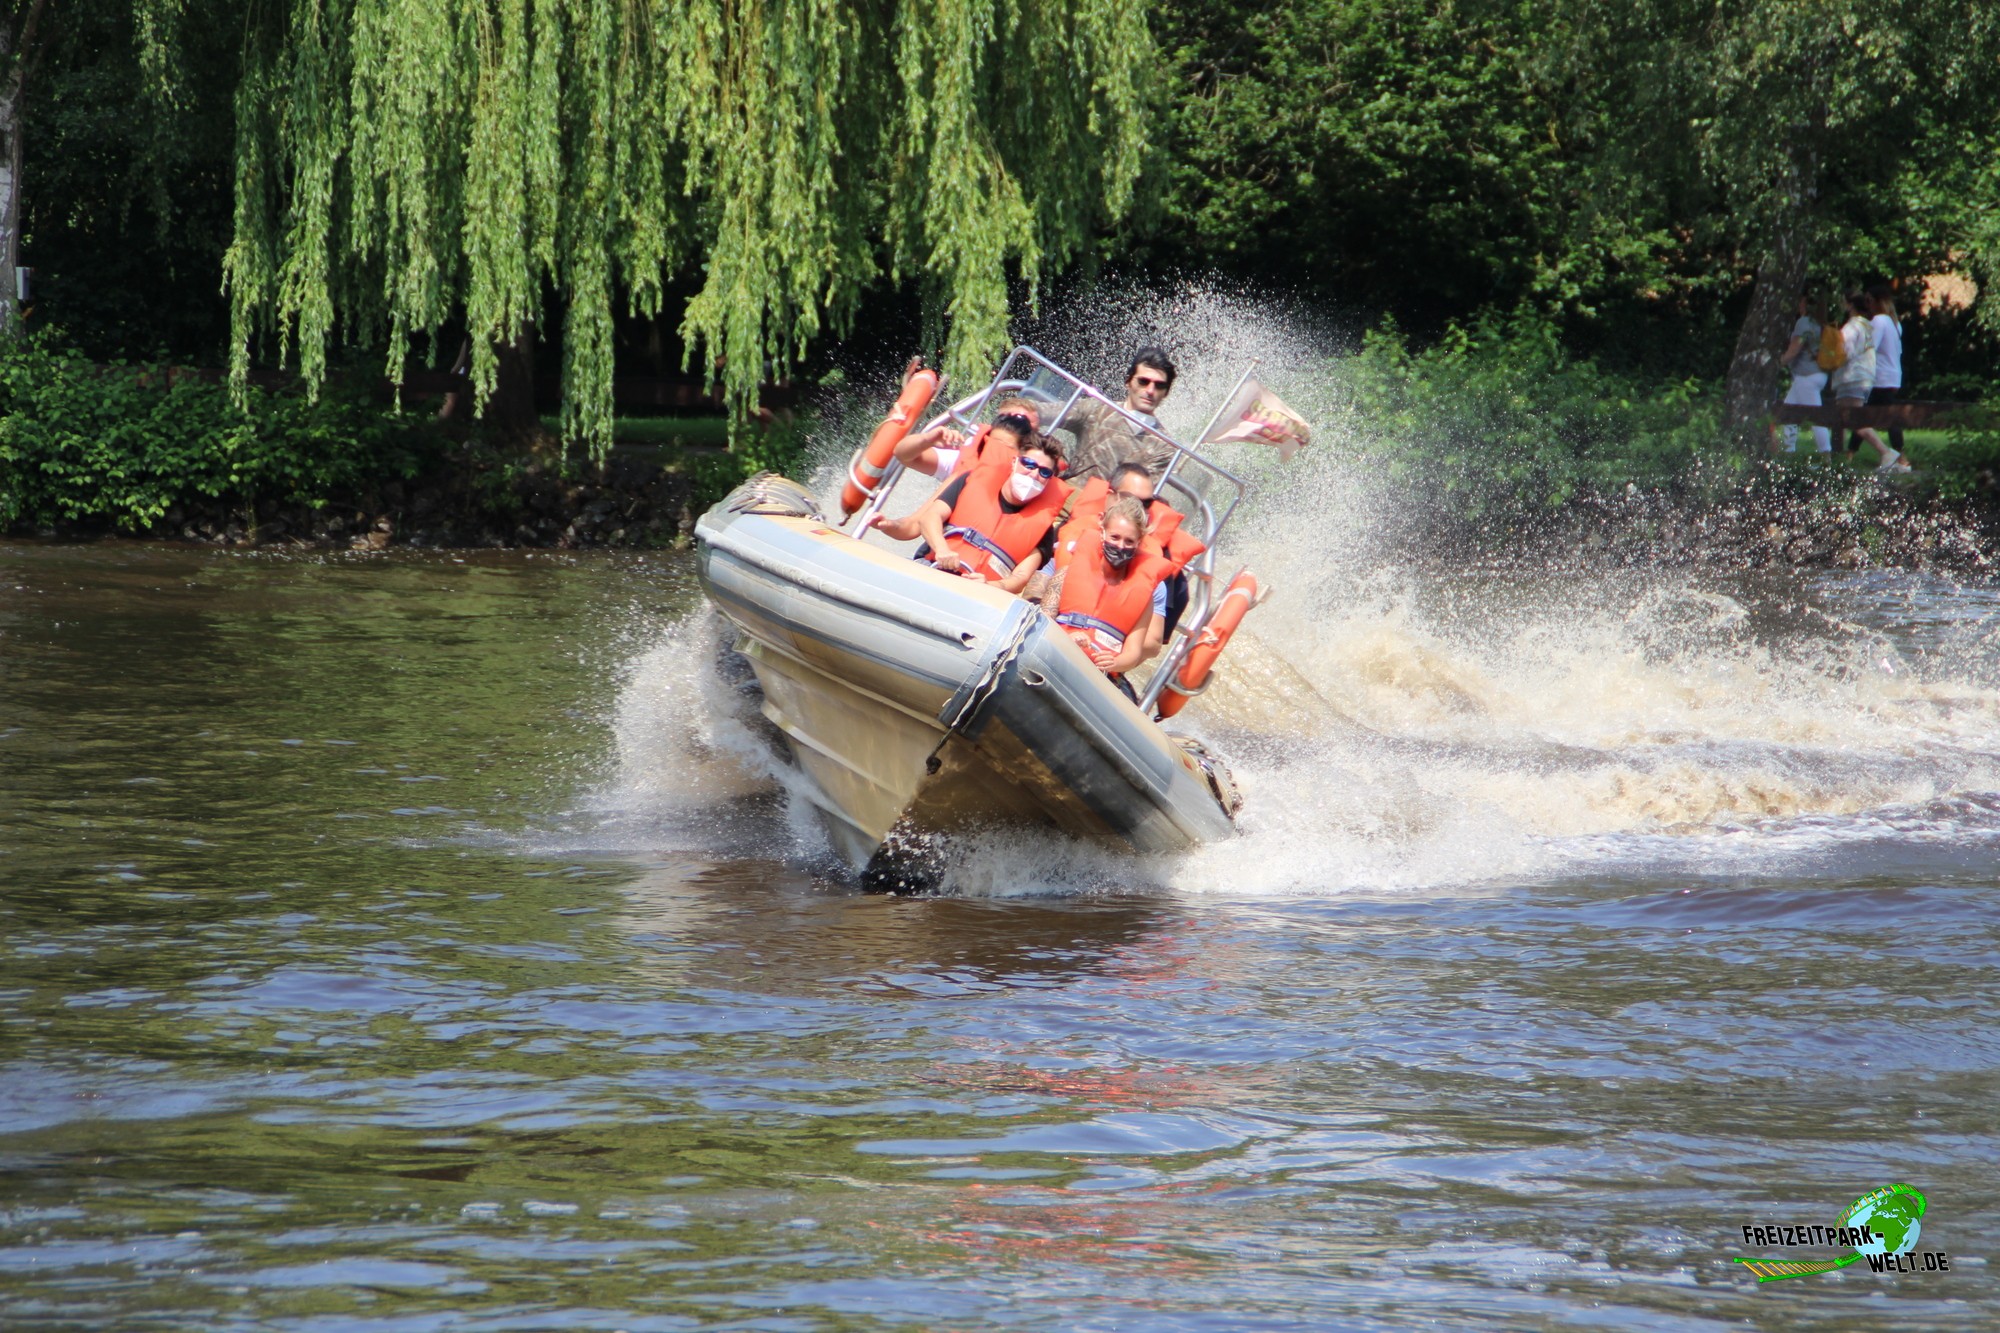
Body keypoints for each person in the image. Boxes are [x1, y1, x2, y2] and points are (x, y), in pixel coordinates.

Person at [1048, 463, 1204, 633]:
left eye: (1146, 503)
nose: (1137, 507)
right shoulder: (1070, 534)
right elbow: (1038, 589)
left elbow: (1152, 640)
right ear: (1110, 495)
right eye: (1130, 498)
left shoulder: (1159, 564)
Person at [1053, 495, 1175, 701]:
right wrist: (1066, 637)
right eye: (1115, 537)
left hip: (1099, 676)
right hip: (1059, 652)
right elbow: (1042, 615)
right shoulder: (1069, 569)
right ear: (1102, 532)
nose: (1120, 546)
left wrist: (1116, 662)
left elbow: (1133, 653)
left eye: (1129, 541)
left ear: (1139, 542)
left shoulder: (1145, 596)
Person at [912, 436, 1071, 594]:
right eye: (1029, 464)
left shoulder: (1044, 531)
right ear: (1015, 462)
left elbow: (1021, 578)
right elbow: (930, 517)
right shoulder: (970, 482)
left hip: (977, 594)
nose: (1034, 474)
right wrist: (942, 549)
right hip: (932, 571)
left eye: (1044, 472)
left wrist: (989, 585)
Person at [871, 411, 1039, 543]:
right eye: (992, 446)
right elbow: (912, 526)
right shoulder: (965, 470)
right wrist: (927, 440)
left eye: (1005, 450)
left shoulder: (1031, 489)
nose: (995, 454)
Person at [1061, 347, 1178, 482]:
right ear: (1128, 382)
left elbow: (1138, 490)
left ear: (1166, 392)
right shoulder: (1096, 407)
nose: (1150, 390)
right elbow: (1041, 412)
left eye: (1159, 385)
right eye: (1143, 382)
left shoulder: (1165, 447)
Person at [1832, 291, 1904, 471]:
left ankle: (1886, 453)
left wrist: (1831, 356)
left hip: (1852, 377)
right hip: (1867, 377)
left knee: (1852, 418)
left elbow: (1846, 352)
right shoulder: (1869, 325)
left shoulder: (1853, 327)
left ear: (1850, 306)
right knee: (1848, 417)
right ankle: (1840, 459)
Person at [893, 396, 1042, 481]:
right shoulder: (964, 456)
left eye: (1032, 432)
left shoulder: (1034, 475)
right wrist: (928, 440)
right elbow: (903, 455)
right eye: (1019, 424)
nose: (1024, 434)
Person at [1768, 292, 1832, 454]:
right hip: (1816, 375)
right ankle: (1788, 452)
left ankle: (1827, 457)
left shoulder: (1804, 322)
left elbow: (1793, 350)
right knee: (1789, 413)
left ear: (1806, 303)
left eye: (1801, 300)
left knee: (1816, 417)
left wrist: (1775, 363)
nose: (1798, 303)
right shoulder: (1820, 323)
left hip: (1806, 377)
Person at [1867, 282, 1907, 462]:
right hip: (1893, 376)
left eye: (1869, 300)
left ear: (1877, 302)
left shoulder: (1878, 321)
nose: (1867, 305)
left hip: (1879, 377)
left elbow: (1870, 347)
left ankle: (1900, 458)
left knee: (1862, 417)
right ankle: (1850, 454)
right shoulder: (1895, 323)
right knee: (1869, 416)